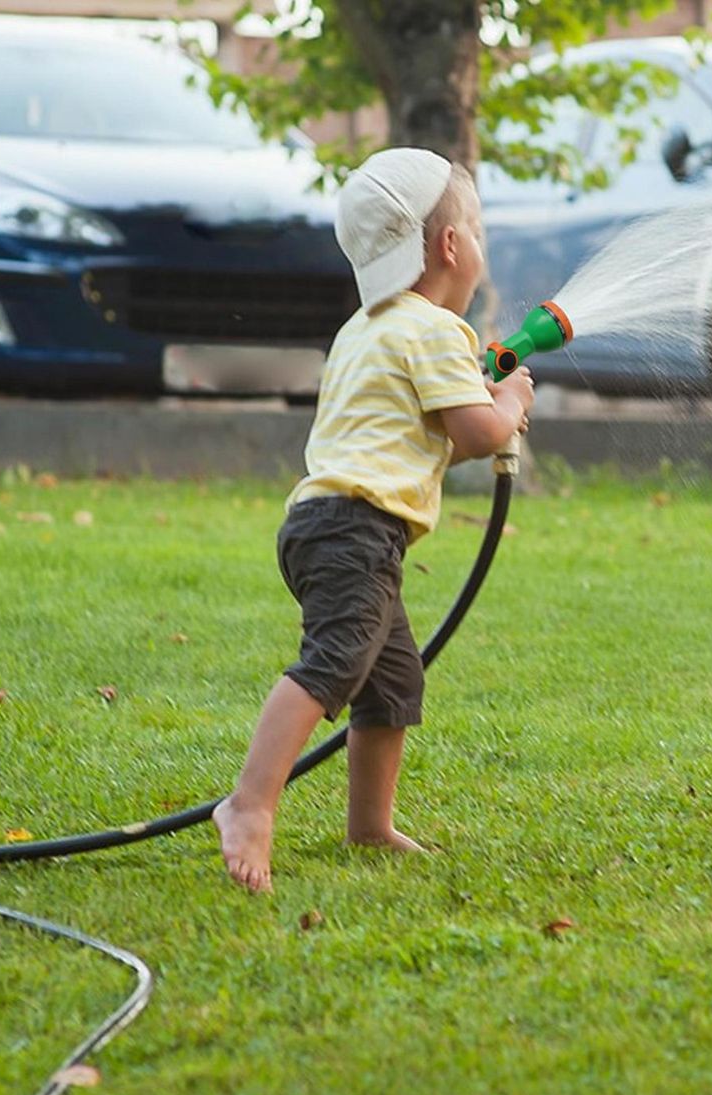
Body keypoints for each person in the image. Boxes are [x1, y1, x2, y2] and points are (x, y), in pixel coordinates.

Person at [213, 148, 535, 893]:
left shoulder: (367, 327)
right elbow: (481, 435)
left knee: (390, 680)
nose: (480, 243)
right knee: (335, 662)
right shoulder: (436, 331)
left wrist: (480, 403)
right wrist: (510, 402)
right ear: (452, 246)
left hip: (328, 522)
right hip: (356, 530)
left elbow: (424, 443)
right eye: (478, 229)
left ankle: (369, 825)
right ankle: (250, 803)